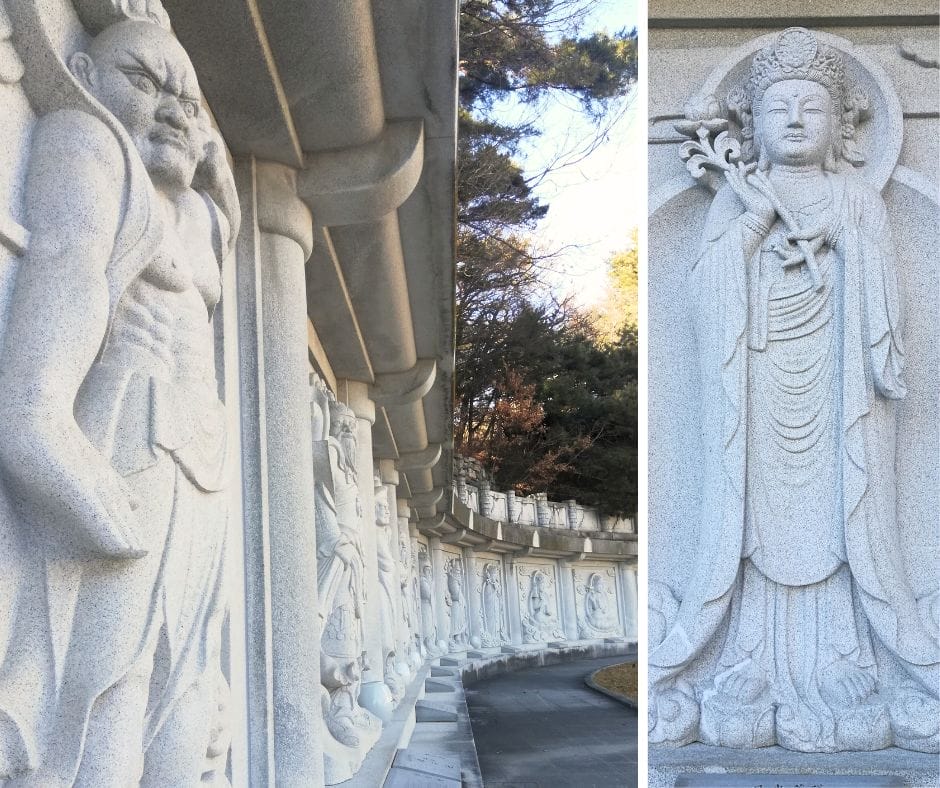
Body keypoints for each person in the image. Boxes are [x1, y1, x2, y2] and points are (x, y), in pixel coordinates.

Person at [649, 27, 938, 753]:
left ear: (842, 124)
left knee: (843, 512)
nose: (797, 119)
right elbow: (704, 296)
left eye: (813, 106)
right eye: (780, 108)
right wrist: (752, 225)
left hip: (842, 393)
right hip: (754, 388)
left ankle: (844, 657)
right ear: (754, 125)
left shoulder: (856, 200)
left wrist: (842, 241)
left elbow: (886, 295)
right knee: (755, 516)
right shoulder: (739, 196)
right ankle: (747, 658)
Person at [0, 18, 237, 785]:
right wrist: (43, 431)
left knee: (185, 670)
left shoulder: (201, 216)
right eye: (145, 80)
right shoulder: (89, 144)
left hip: (201, 454)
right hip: (130, 431)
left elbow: (228, 221)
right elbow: (65, 271)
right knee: (113, 678)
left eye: (189, 102)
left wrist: (217, 168)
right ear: (82, 74)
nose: (175, 112)